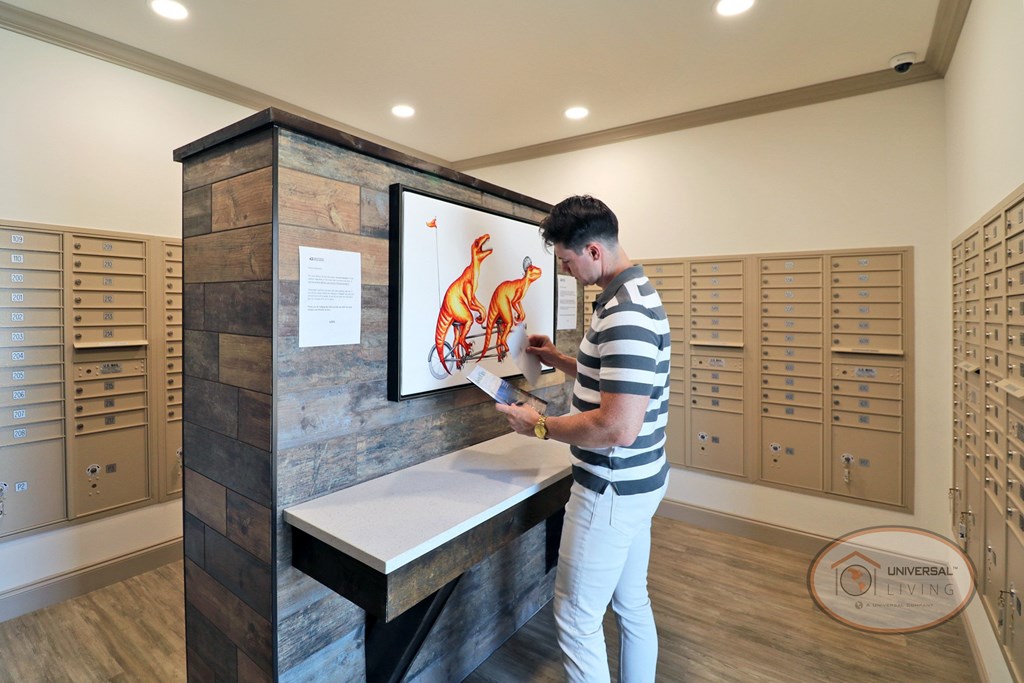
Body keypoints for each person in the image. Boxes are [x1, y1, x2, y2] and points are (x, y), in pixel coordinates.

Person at [496, 195, 671, 683]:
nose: (568, 272)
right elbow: (620, 380)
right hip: (642, 482)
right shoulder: (632, 295)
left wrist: (538, 425)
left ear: (593, 251)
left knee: (576, 619)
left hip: (610, 490)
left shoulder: (624, 314)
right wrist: (562, 361)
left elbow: (617, 426)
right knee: (632, 601)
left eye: (568, 262)